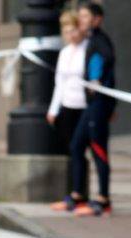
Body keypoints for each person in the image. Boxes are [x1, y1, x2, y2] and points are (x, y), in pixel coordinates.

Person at [69, 2, 116, 217]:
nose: (82, 20)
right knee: (77, 145)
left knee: (98, 149)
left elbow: (105, 63)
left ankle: (103, 199)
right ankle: (78, 194)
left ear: (97, 19)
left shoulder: (100, 41)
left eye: (86, 16)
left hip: (98, 104)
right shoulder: (90, 41)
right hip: (92, 103)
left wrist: (97, 81)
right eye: (80, 16)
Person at [48, 10, 89, 212]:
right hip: (67, 105)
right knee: (72, 151)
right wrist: (53, 109)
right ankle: (74, 191)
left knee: (78, 149)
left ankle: (79, 193)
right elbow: (59, 82)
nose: (70, 35)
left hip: (84, 106)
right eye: (66, 31)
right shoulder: (65, 53)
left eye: (73, 30)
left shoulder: (86, 50)